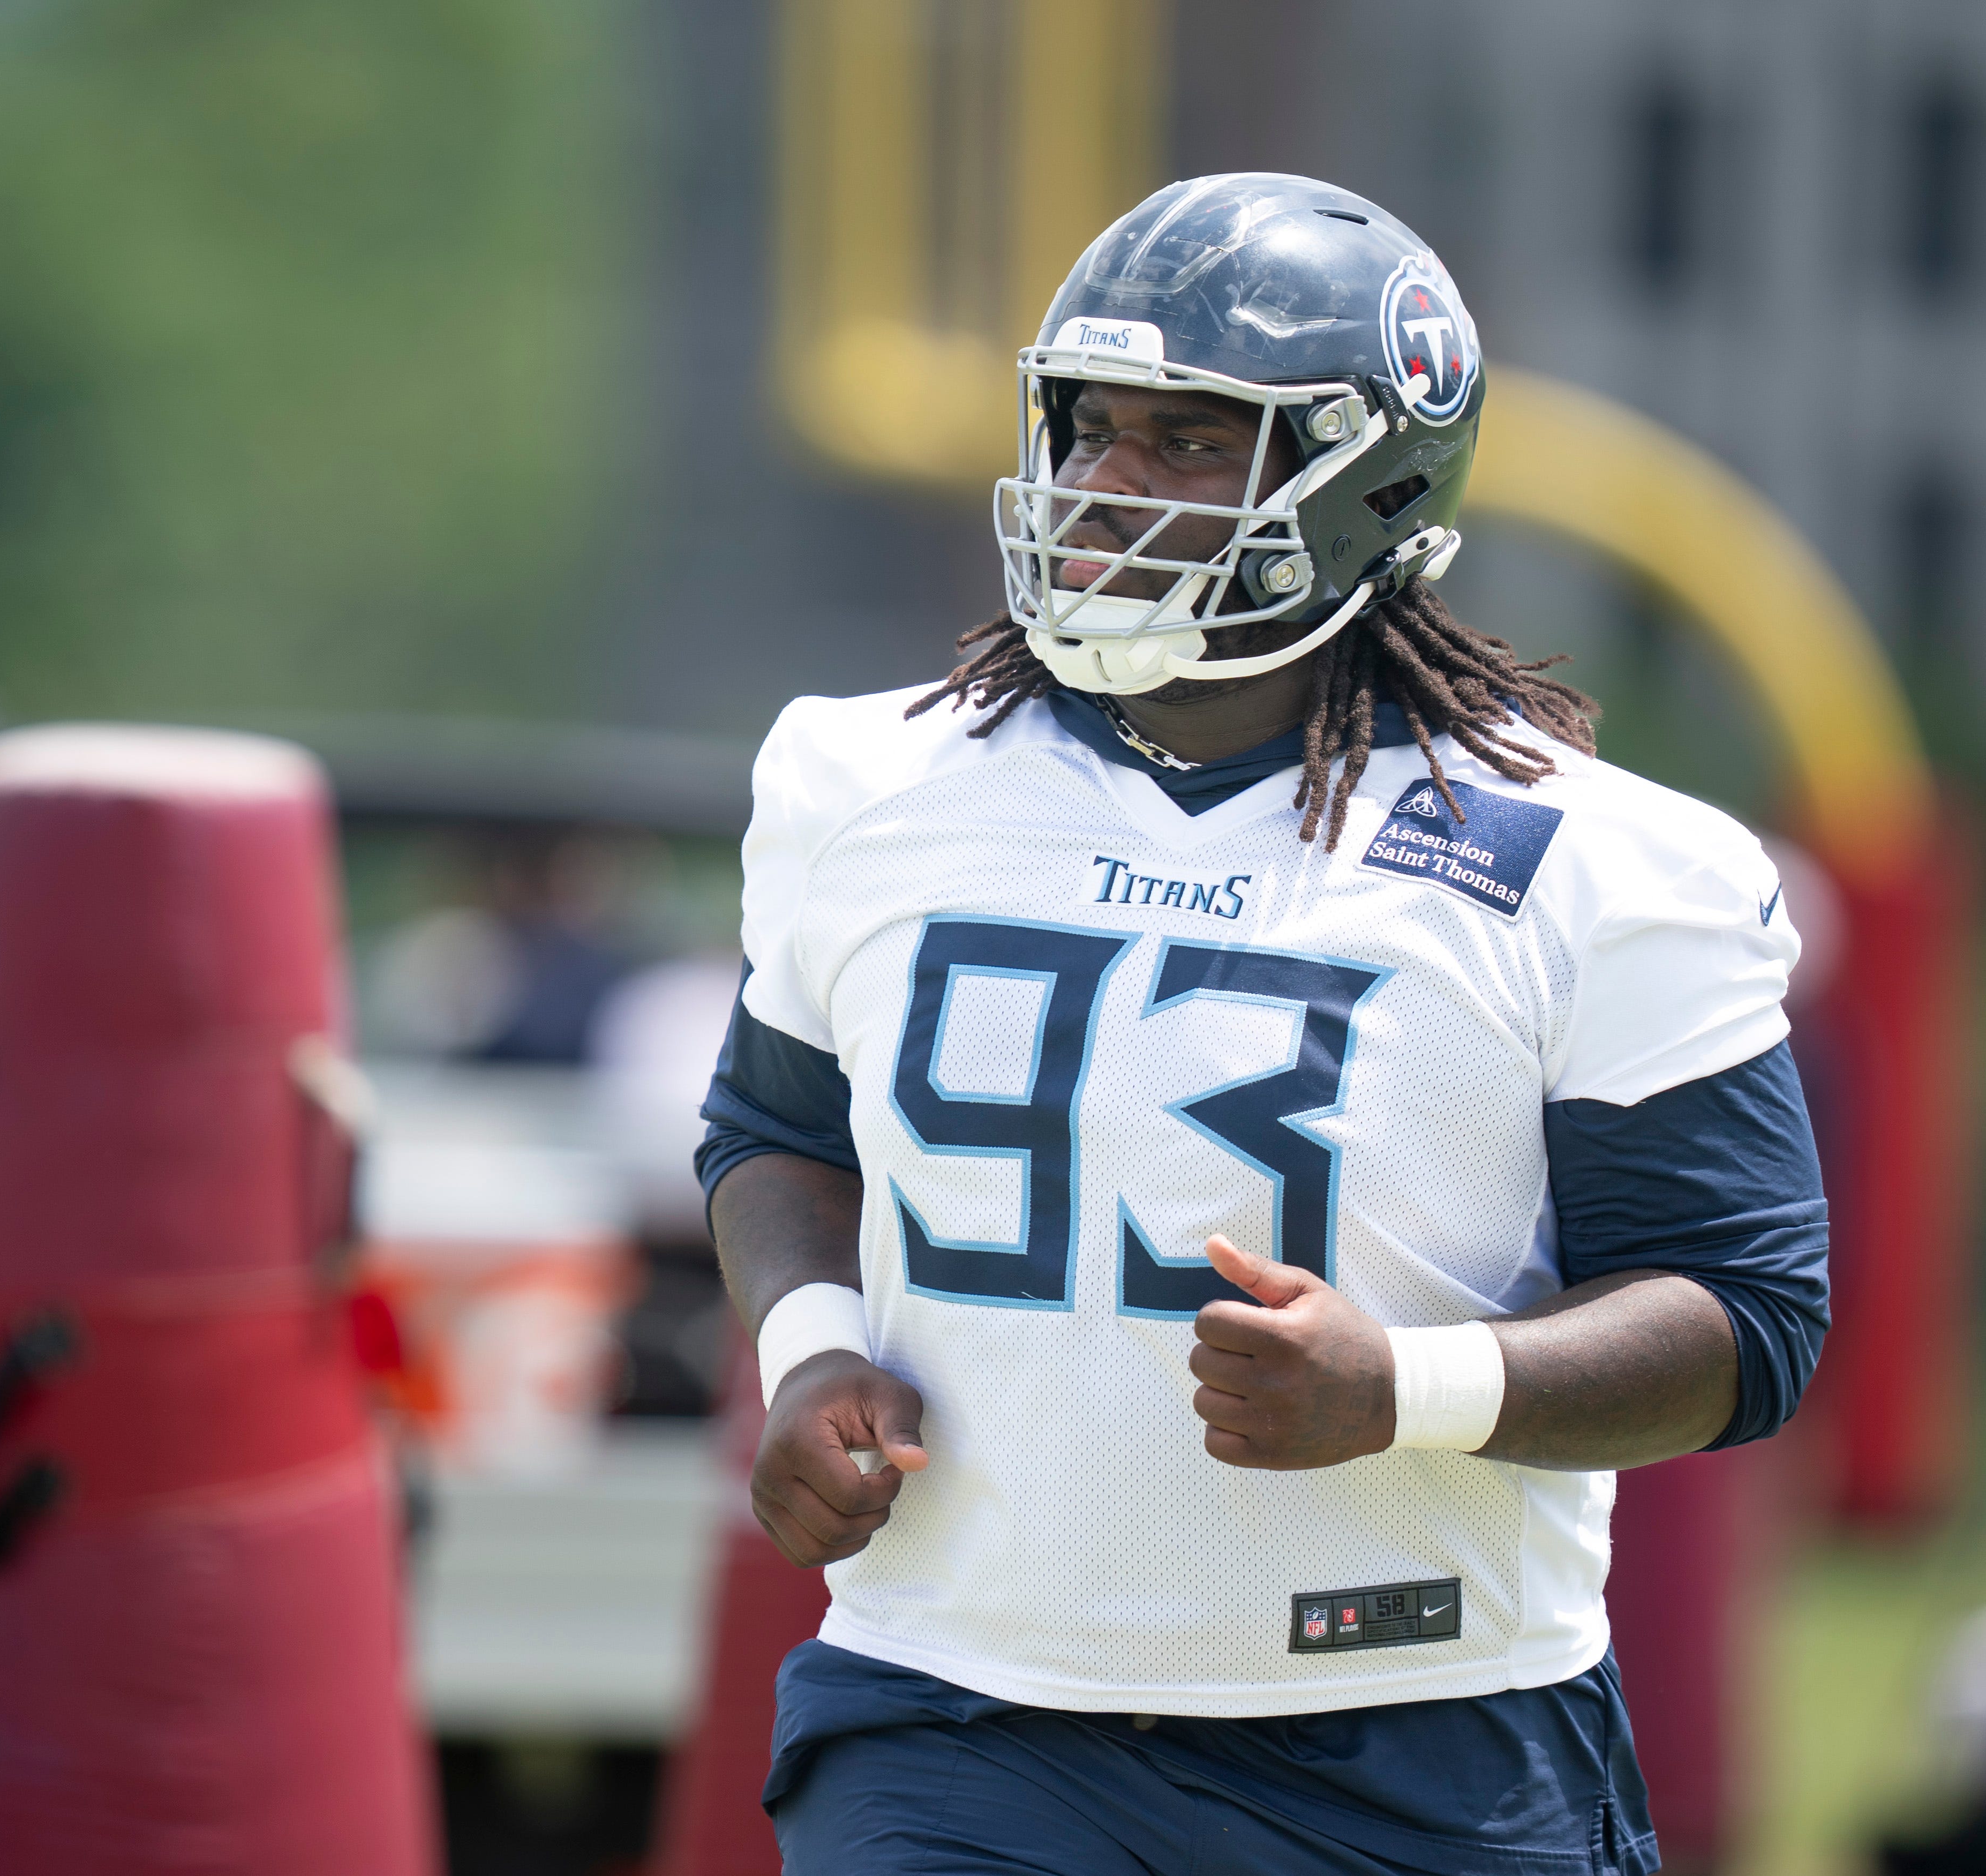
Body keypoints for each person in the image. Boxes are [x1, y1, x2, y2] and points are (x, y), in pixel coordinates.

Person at [695, 174, 1831, 1873]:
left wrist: (1406, 1387)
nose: (1105, 483)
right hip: (957, 1710)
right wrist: (809, 1344)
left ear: (1368, 482)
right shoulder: (867, 778)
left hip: (1421, 1730)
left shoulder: (1596, 859)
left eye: (1185, 438)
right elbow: (776, 1127)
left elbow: (1745, 1309)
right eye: (1089, 427)